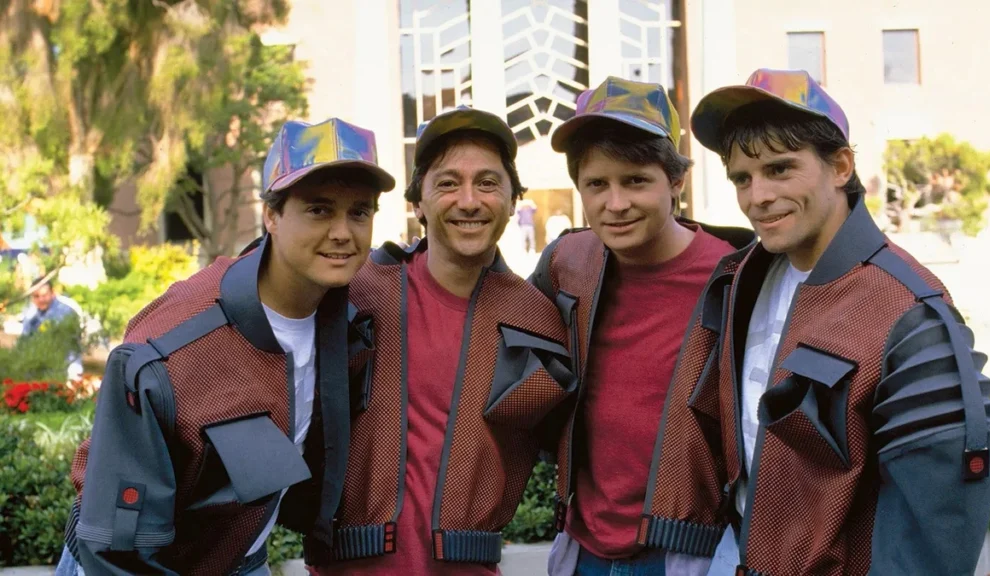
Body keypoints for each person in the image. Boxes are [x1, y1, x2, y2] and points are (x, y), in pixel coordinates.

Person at [690, 68, 990, 575]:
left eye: (780, 169)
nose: (757, 197)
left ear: (840, 166)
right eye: (741, 178)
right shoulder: (743, 277)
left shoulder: (906, 306)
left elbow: (934, 526)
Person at [57, 117, 396, 576]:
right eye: (319, 210)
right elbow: (116, 547)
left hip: (241, 559)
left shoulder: (349, 314)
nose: (342, 232)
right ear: (271, 215)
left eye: (359, 212)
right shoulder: (174, 346)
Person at [305, 106, 576, 575]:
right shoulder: (353, 291)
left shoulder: (539, 320)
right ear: (417, 202)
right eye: (448, 183)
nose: (469, 201)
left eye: (488, 183)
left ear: (514, 201)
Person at [530, 76, 755, 576]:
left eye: (635, 180)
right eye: (597, 184)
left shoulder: (737, 274)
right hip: (583, 544)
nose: (615, 203)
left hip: (690, 550)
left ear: (675, 181)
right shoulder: (567, 261)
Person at [21, 278, 84, 379]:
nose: (41, 299)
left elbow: (71, 347)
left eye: (44, 295)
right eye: (36, 296)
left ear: (52, 293)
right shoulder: (30, 314)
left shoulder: (65, 312)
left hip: (64, 365)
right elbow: (24, 341)